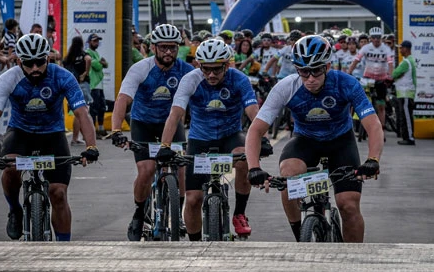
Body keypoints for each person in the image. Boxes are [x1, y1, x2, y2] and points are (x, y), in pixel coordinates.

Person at [245, 35, 383, 243]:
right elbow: (255, 130)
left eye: (316, 70)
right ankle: (301, 236)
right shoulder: (286, 87)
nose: (310, 78)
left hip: (340, 142)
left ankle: (354, 260)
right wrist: (253, 167)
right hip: (305, 141)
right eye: (303, 71)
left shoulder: (346, 83)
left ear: (328, 66)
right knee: (289, 178)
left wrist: (373, 160)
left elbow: (373, 125)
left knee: (348, 205)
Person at [0, 33, 99, 241]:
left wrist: (91, 146)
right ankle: (14, 209)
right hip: (20, 133)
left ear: (47, 58)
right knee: (10, 169)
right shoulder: (8, 78)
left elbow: (81, 113)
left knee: (58, 193)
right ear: (19, 61)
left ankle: (65, 247)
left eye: (40, 62)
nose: (34, 69)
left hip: (53, 135)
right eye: (28, 63)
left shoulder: (63, 76)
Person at [155, 38, 261, 240]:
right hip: (200, 139)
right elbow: (175, 114)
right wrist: (165, 145)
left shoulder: (239, 79)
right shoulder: (191, 79)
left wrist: (261, 139)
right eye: (206, 69)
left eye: (216, 69)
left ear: (227, 65)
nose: (211, 75)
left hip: (230, 135)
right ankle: (195, 245)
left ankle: (239, 213)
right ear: (199, 65)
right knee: (193, 199)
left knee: (244, 158)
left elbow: (252, 110)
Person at [108, 24, 194, 241]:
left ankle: (178, 213)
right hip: (143, 123)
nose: (168, 52)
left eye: (173, 48)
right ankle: (138, 213)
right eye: (163, 47)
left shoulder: (185, 70)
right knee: (146, 170)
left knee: (181, 169)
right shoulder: (141, 68)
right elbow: (123, 100)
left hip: (171, 125)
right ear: (154, 47)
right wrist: (116, 130)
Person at [348, 27, 394, 132]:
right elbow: (355, 61)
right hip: (368, 78)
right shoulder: (366, 48)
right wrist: (349, 73)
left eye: (378, 37)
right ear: (370, 38)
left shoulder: (386, 49)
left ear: (381, 38)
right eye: (374, 37)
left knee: (381, 106)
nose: (376, 39)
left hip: (381, 79)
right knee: (362, 102)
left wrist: (390, 76)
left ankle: (381, 128)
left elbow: (390, 65)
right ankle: (359, 125)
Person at [63, 36, 93, 145]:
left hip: (71, 86)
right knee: (82, 112)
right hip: (82, 84)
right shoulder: (83, 55)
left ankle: (80, 137)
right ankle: (76, 138)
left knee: (77, 112)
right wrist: (85, 73)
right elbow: (89, 59)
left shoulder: (69, 57)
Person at [392, 40, 417, 145]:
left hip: (406, 93)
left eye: (401, 48)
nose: (400, 50)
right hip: (405, 93)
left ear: (406, 49)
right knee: (405, 115)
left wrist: (396, 75)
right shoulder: (409, 60)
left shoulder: (406, 62)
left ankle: (410, 138)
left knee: (406, 116)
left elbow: (394, 74)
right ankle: (407, 137)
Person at [85, 33, 109, 138]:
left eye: (97, 41)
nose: (97, 43)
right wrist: (101, 62)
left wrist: (102, 63)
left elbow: (106, 64)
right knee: (94, 109)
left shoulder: (96, 53)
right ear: (89, 42)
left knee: (102, 108)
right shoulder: (87, 52)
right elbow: (97, 66)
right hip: (93, 85)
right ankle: (93, 131)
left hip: (99, 85)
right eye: (94, 41)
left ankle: (101, 129)